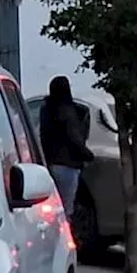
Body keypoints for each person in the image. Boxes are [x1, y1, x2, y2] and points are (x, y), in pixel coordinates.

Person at [38, 76, 94, 217]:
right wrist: (87, 155)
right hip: (68, 165)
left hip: (50, 164)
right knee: (65, 211)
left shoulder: (46, 110)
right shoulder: (67, 111)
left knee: (51, 207)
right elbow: (74, 138)